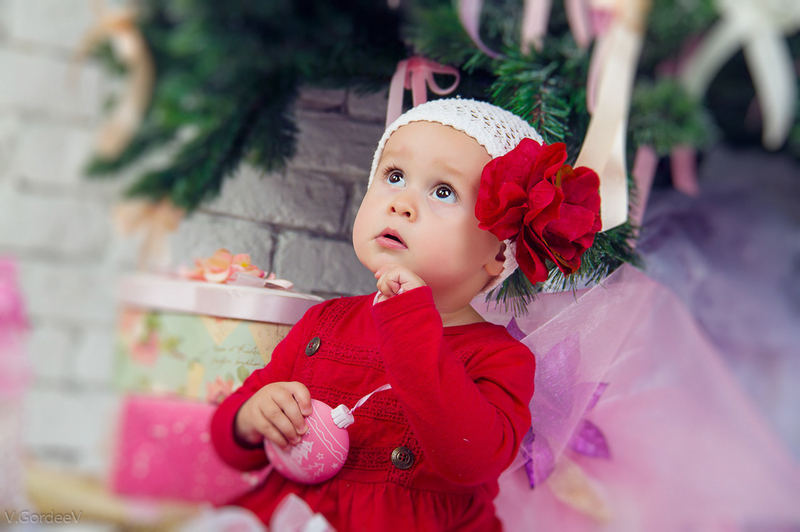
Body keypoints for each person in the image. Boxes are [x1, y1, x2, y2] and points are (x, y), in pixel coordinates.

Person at [211, 98, 601, 531]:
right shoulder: (323, 321)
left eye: (443, 192)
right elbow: (229, 442)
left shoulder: (501, 358)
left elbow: (471, 460)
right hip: (289, 515)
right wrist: (251, 418)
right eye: (394, 176)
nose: (402, 204)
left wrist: (411, 320)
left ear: (497, 254)